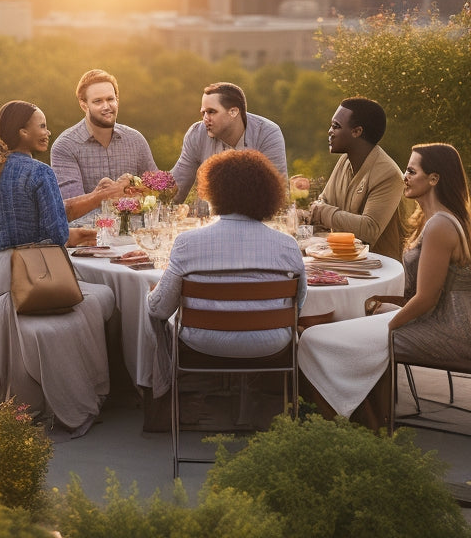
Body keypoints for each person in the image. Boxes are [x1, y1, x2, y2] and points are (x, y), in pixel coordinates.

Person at [0, 100, 114, 433]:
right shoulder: (39, 173)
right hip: (30, 280)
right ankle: (107, 389)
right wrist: (78, 235)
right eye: (42, 126)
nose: (48, 132)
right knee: (101, 297)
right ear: (23, 132)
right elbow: (57, 234)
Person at [298, 143, 471, 428]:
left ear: (434, 179)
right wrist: (390, 308)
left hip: (448, 332)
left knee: (314, 340)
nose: (404, 175)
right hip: (435, 320)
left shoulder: (440, 225)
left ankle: (341, 421)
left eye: (412, 171)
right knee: (336, 329)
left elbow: (427, 299)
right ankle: (361, 415)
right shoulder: (435, 220)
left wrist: (389, 324)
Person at [149, 149, 306, 359]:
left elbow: (159, 309)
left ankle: (158, 388)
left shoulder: (187, 243)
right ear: (268, 194)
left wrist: (152, 293)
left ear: (213, 192)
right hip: (271, 343)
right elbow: (299, 304)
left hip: (202, 343)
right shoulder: (287, 245)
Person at [298, 97, 405, 259]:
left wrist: (322, 212)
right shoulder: (345, 161)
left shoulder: (388, 174)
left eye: (336, 126)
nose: (330, 131)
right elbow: (323, 203)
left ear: (357, 131)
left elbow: (369, 230)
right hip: (340, 261)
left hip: (377, 269)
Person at [50, 69, 157, 221]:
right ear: (83, 105)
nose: (106, 106)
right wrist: (107, 194)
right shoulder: (65, 146)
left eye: (110, 99)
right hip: (89, 240)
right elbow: (70, 211)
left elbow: (157, 190)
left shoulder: (136, 140)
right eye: (98, 101)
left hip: (136, 236)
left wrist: (135, 189)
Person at [171, 82, 287, 203]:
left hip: (254, 218)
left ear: (233, 112)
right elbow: (176, 187)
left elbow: (277, 193)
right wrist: (154, 192)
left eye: (211, 112)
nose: (205, 118)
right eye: (203, 113)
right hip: (206, 220)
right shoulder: (196, 134)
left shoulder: (267, 133)